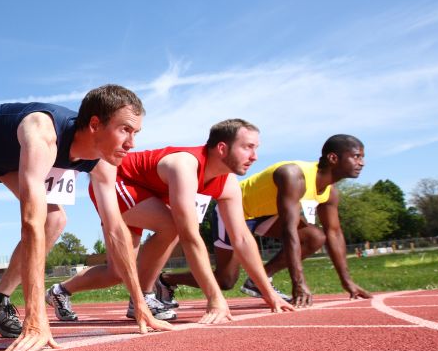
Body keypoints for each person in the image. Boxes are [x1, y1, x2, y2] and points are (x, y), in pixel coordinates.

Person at [0, 86, 174, 351]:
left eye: (135, 133)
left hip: (12, 157)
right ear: (95, 124)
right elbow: (30, 223)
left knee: (55, 220)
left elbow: (115, 230)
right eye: (125, 130)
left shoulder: (105, 161)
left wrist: (140, 302)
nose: (132, 143)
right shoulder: (43, 135)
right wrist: (36, 317)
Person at [48, 119, 293, 323]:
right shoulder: (184, 165)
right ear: (222, 148)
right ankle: (143, 296)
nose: (255, 156)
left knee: (118, 272)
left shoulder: (228, 184)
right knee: (175, 226)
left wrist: (269, 293)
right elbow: (189, 236)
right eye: (248, 147)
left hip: (147, 195)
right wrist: (215, 298)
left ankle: (60, 291)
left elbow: (241, 238)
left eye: (256, 148)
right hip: (118, 181)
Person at [195, 134, 372, 308]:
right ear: (333, 158)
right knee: (225, 280)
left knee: (315, 237)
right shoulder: (293, 175)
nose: (362, 163)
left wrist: (347, 281)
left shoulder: (330, 192)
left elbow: (334, 233)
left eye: (362, 157)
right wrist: (299, 283)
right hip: (234, 210)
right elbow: (289, 231)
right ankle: (167, 279)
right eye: (356, 157)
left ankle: (258, 281)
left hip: (266, 214)